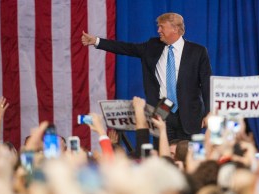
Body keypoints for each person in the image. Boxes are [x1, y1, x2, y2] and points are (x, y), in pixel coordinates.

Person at [82, 12, 212, 141]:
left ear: (175, 28)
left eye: (162, 27)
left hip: (190, 113)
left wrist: (209, 112)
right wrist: (97, 41)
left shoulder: (198, 51)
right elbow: (126, 48)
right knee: (162, 154)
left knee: (187, 154)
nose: (158, 30)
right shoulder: (152, 46)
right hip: (163, 110)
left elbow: (207, 85)